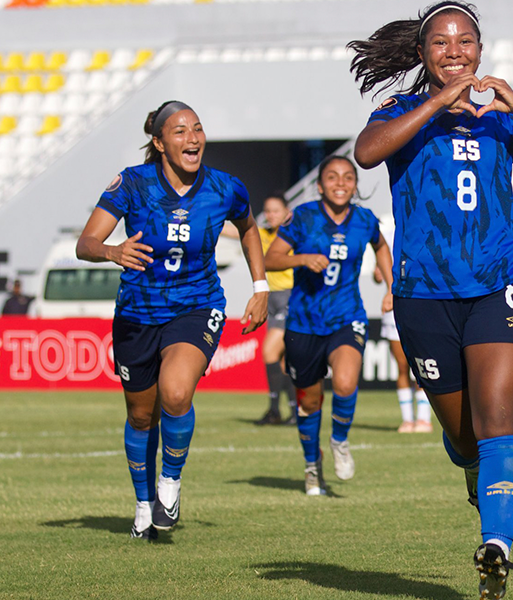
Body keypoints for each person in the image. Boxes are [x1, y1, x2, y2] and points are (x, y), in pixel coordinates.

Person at [349, 2, 513, 597]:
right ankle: (476, 474)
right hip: (423, 295)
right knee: (464, 439)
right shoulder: (400, 111)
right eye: (441, 43)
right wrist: (436, 104)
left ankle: (496, 546)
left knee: (499, 421)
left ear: (480, 49)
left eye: (466, 41)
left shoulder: (499, 118)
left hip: (500, 284)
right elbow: (367, 153)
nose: (455, 52)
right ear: (422, 53)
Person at [76, 101, 268, 540]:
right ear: (160, 143)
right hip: (137, 312)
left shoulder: (225, 187)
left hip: (197, 305)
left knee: (176, 392)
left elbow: (249, 227)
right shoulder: (132, 183)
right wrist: (111, 251)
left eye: (197, 128)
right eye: (180, 131)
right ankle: (143, 505)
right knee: (141, 415)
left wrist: (261, 287)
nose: (192, 138)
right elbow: (85, 243)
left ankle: (170, 483)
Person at [263, 155, 394, 496]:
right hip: (303, 322)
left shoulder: (364, 219)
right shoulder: (303, 217)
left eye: (348, 177)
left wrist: (391, 287)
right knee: (309, 402)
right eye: (333, 177)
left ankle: (339, 440)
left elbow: (381, 247)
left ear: (355, 185)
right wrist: (302, 259)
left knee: (346, 382)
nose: (341, 183)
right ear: (320, 186)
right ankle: (312, 466)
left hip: (347, 316)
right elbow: (270, 259)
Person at [223, 192, 299, 426]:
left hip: (289, 298)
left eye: (276, 210)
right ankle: (293, 413)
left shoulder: (292, 235)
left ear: (287, 212)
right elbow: (232, 231)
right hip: (271, 299)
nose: (270, 215)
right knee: (284, 361)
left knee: (269, 352)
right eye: (267, 211)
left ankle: (276, 410)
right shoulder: (262, 234)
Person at [370, 217, 432, 434]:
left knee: (423, 366)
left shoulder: (425, 234)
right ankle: (407, 419)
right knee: (402, 366)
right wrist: (378, 274)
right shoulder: (388, 237)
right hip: (394, 309)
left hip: (422, 308)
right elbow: (378, 275)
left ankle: (424, 418)